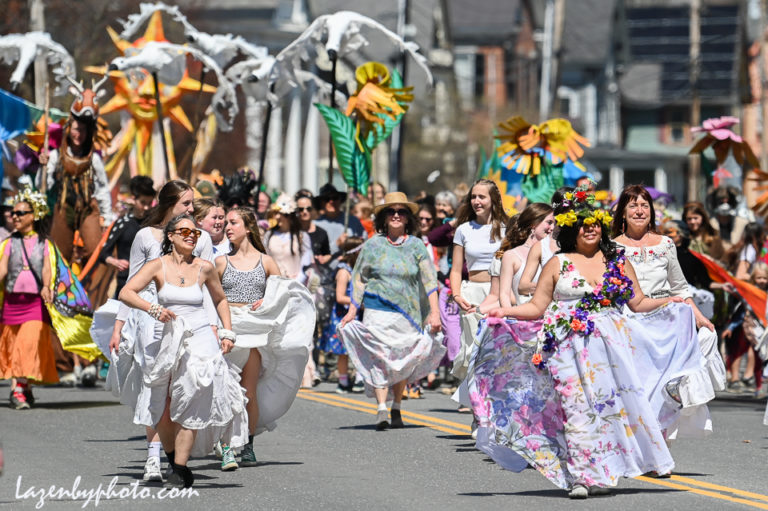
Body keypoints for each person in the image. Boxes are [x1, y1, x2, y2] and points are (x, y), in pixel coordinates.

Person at [482, 191, 694, 498]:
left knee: (608, 409)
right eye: (583, 225)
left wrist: (671, 301)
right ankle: (581, 477)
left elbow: (638, 302)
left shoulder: (616, 261)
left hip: (610, 348)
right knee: (576, 407)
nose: (590, 229)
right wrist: (506, 310)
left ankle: (604, 471)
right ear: (572, 230)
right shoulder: (558, 262)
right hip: (566, 345)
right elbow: (538, 306)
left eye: (595, 223)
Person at [93, 180, 217, 483]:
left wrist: (214, 327)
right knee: (155, 387)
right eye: (186, 204)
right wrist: (120, 325)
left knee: (182, 388)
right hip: (147, 314)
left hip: (187, 316)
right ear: (169, 204)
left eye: (192, 204)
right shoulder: (145, 236)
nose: (192, 209)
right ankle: (152, 457)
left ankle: (176, 456)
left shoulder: (196, 238)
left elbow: (211, 291)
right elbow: (131, 283)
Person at [118, 214, 247, 488]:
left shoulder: (205, 267)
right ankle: (172, 456)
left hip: (200, 339)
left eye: (195, 233)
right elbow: (127, 293)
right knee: (163, 408)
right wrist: (153, 309)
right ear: (172, 235)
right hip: (168, 340)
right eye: (185, 231)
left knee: (193, 396)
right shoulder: (157, 266)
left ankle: (179, 467)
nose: (191, 236)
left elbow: (220, 299)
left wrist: (226, 331)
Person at [612, 185, 723, 438]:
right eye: (633, 205)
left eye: (644, 205)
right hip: (631, 322)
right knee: (638, 386)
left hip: (668, 322)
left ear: (652, 211)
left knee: (666, 386)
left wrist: (698, 315)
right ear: (623, 213)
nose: (639, 211)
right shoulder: (611, 247)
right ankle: (639, 444)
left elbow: (680, 287)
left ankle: (660, 447)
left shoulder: (665, 244)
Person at [216, 206, 314, 470]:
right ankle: (225, 447)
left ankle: (247, 444)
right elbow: (211, 298)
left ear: (248, 227)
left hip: (255, 333)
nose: (227, 227)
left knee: (248, 393)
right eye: (226, 223)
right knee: (226, 390)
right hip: (230, 330)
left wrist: (267, 298)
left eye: (233, 222)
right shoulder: (221, 262)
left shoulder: (266, 261)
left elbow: (286, 293)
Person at [339, 192, 445, 430]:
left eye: (401, 212)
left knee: (402, 360)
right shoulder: (373, 245)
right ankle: (380, 408)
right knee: (379, 358)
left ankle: (396, 404)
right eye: (391, 211)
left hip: (408, 314)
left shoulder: (417, 246)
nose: (396, 215)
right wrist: (352, 311)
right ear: (383, 217)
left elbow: (430, 281)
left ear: (408, 218)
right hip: (376, 311)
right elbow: (359, 279)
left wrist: (434, 312)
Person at [0, 189, 59, 408]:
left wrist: (46, 286)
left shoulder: (45, 243)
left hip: (34, 304)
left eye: (20, 213)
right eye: (13, 213)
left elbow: (47, 268)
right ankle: (24, 387)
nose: (14, 217)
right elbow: (2, 269)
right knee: (14, 348)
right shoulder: (8, 243)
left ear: (33, 216)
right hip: (12, 304)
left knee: (29, 344)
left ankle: (18, 390)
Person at [449, 179, 508, 380]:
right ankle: (470, 394)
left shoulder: (506, 228)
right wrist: (456, 295)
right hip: (472, 292)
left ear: (493, 200)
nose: (476, 201)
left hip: (499, 294)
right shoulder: (463, 230)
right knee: (471, 347)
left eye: (481, 197)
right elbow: (456, 269)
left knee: (496, 348)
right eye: (473, 197)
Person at [477, 203, 554, 313]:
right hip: (522, 319)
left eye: (554, 224)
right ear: (533, 224)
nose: (552, 228)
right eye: (549, 223)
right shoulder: (511, 255)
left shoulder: (555, 254)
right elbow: (504, 294)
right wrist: (510, 317)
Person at [318, 237, 364, 393]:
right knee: (343, 351)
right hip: (343, 314)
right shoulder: (344, 272)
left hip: (360, 315)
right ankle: (343, 381)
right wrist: (358, 303)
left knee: (360, 349)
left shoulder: (362, 270)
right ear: (354, 252)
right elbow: (340, 297)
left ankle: (360, 378)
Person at [98, 176, 156, 298]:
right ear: (133, 199)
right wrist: (115, 261)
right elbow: (104, 253)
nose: (146, 207)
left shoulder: (154, 224)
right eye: (143, 203)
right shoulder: (122, 223)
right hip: (125, 283)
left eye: (149, 203)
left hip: (150, 285)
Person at [723, 261, 768, 394]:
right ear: (754, 278)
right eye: (759, 278)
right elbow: (741, 311)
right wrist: (730, 327)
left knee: (758, 355)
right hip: (747, 325)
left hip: (761, 330)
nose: (762, 281)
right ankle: (734, 379)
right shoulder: (750, 291)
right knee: (737, 352)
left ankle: (757, 385)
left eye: (765, 278)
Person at [264, 194, 313, 284]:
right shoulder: (269, 235)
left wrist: (298, 279)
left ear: (289, 216)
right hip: (273, 285)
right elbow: (264, 258)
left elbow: (306, 261)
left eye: (281, 214)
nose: (277, 217)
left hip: (295, 286)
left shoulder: (301, 236)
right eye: (276, 213)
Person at [314, 184, 366, 256]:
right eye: (327, 199)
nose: (331, 201)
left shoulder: (353, 221)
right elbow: (316, 252)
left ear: (340, 200)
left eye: (335, 198)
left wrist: (351, 244)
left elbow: (365, 243)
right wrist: (336, 245)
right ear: (321, 203)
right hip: (325, 266)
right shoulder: (315, 225)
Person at [295, 193, 331, 266]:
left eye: (308, 209)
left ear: (313, 210)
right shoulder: (291, 232)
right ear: (296, 211)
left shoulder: (322, 232)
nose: (305, 212)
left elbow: (327, 254)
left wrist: (323, 259)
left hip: (314, 274)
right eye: (301, 209)